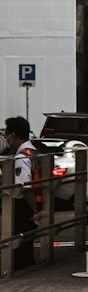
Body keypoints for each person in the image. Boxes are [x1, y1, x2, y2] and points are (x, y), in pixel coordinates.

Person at [4, 116, 37, 271]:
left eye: (6, 134)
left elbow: (25, 187)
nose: (5, 138)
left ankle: (21, 267)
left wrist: (34, 208)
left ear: (13, 135)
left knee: (20, 241)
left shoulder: (22, 157)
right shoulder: (33, 151)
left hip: (23, 205)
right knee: (27, 241)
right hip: (32, 203)